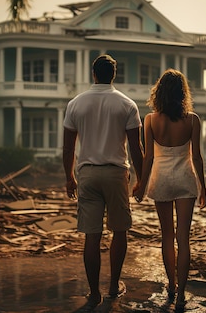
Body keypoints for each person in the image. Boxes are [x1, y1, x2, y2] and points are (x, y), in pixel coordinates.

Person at [62, 54, 144, 311]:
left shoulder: (76, 104)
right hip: (116, 173)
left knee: (92, 235)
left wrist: (69, 177)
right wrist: (141, 180)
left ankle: (94, 293)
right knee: (119, 231)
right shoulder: (127, 104)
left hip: (87, 173)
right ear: (114, 75)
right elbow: (136, 148)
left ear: (93, 74)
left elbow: (67, 148)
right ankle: (113, 288)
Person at [133, 68, 206, 309]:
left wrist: (142, 185)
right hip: (185, 180)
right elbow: (197, 157)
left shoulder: (150, 120)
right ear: (182, 93)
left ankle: (172, 286)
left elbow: (148, 158)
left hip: (161, 180)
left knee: (166, 237)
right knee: (183, 239)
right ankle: (183, 292)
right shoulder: (193, 120)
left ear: (160, 92)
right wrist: (203, 188)